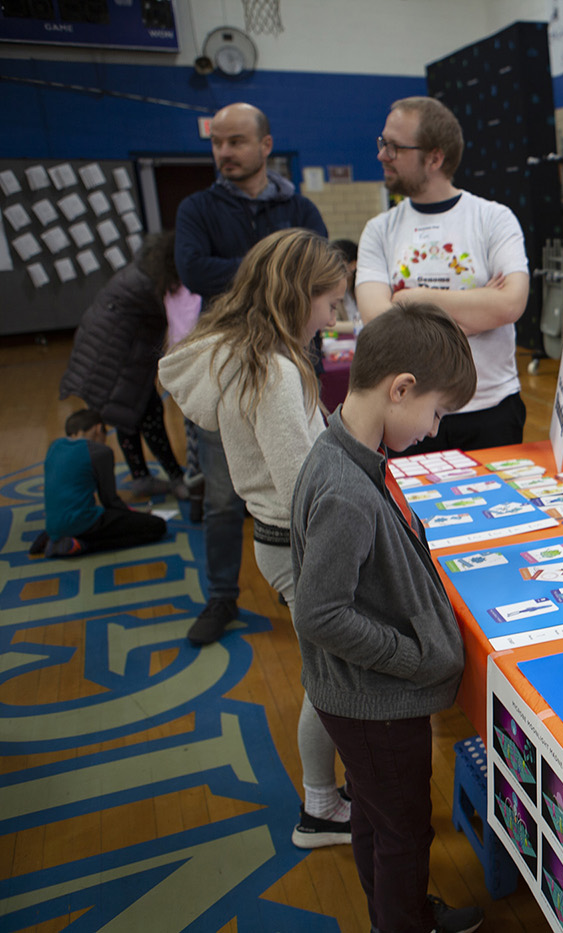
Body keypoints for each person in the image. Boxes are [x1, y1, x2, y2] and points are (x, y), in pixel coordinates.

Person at [290, 302, 483, 933]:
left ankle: (392, 914)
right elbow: (320, 612)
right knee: (403, 829)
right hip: (375, 699)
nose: (433, 429)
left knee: (375, 815)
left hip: (360, 697)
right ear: (400, 389)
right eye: (435, 412)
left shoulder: (348, 452)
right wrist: (413, 657)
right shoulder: (346, 489)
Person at [160, 228, 352, 850]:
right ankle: (319, 810)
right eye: (330, 304)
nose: (334, 318)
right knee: (329, 678)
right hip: (295, 540)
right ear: (300, 297)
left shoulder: (257, 350)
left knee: (326, 672)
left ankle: (325, 798)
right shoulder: (273, 368)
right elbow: (303, 480)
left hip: (280, 538)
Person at [173, 102, 328, 646]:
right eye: (217, 143)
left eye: (236, 142)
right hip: (236, 370)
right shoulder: (198, 207)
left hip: (294, 362)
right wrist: (275, 266)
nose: (224, 153)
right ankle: (221, 598)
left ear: (265, 145)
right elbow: (193, 268)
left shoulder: (299, 205)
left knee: (301, 479)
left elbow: (319, 266)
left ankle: (314, 586)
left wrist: (250, 267)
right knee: (221, 496)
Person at [356, 96, 529, 455]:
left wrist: (409, 300)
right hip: (408, 418)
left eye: (394, 147)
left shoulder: (493, 218)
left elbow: (511, 303)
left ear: (434, 158)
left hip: (490, 410)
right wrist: (479, 312)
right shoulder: (379, 229)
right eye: (382, 142)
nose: (381, 155)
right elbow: (378, 321)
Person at [59, 231, 192, 501]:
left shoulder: (144, 270)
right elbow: (180, 315)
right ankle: (176, 479)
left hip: (109, 350)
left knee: (127, 414)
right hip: (115, 356)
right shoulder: (150, 282)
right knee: (146, 414)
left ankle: (142, 476)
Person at [34, 410, 167, 559]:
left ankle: (56, 537)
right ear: (98, 429)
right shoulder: (101, 452)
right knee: (156, 526)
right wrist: (136, 515)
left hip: (53, 524)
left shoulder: (55, 446)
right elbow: (110, 501)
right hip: (82, 521)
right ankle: (81, 544)